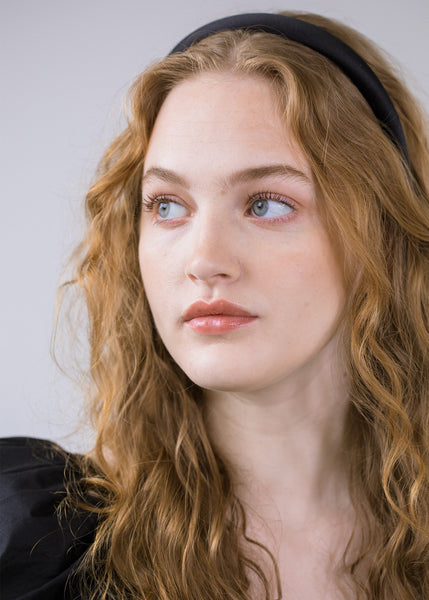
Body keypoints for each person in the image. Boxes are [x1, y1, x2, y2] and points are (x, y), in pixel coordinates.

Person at [1, 10, 428, 600]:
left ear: (379, 231)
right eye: (168, 205)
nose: (203, 260)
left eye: (266, 203)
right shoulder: (29, 543)